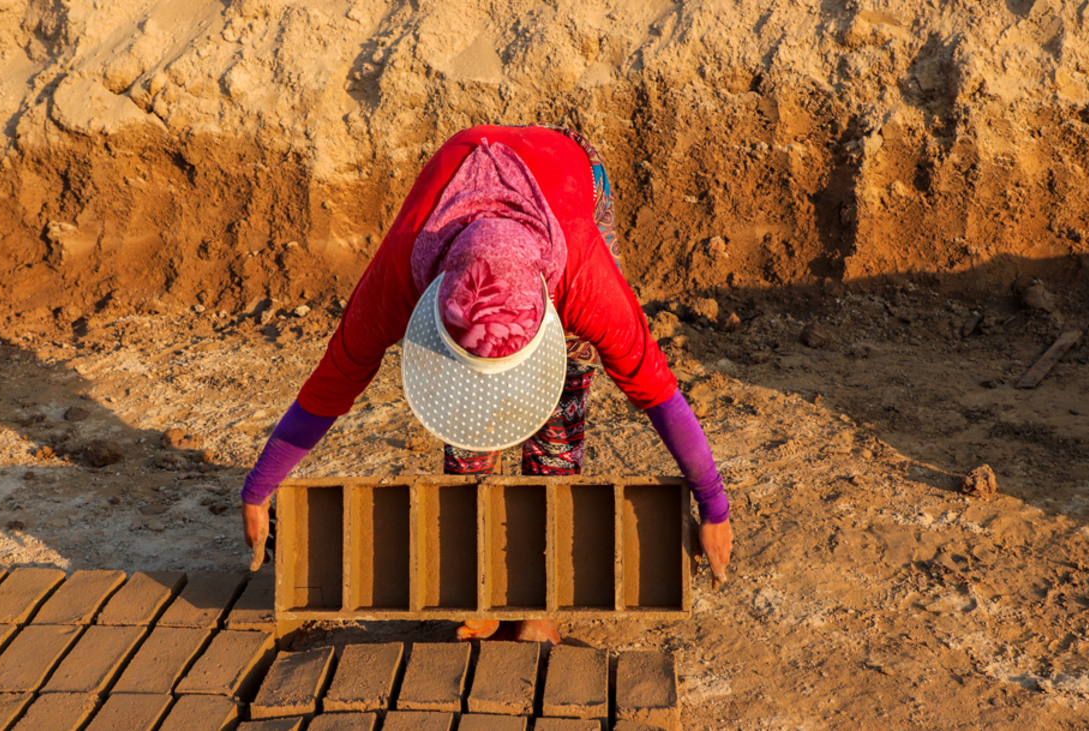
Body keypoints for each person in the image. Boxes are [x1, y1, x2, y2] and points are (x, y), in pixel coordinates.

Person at [240, 124, 733, 644]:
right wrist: (258, 488)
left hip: (571, 181)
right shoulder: (401, 270)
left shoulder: (584, 278)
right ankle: (483, 590)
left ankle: (540, 600)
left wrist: (715, 505)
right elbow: (331, 385)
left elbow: (657, 391)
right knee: (463, 414)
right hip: (462, 187)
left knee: (563, 411)